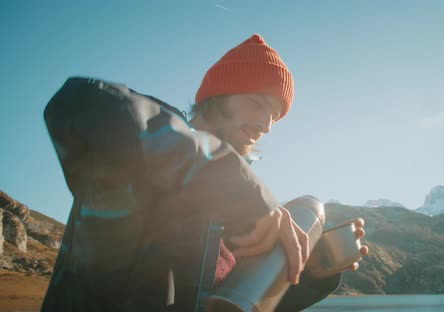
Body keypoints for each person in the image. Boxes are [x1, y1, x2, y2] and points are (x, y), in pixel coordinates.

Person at [41, 34, 368, 312]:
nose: (266, 126)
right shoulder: (143, 148)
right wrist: (244, 190)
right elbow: (79, 103)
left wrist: (308, 277)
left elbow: (229, 304)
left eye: (274, 115)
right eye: (257, 103)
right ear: (218, 97)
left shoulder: (239, 208)